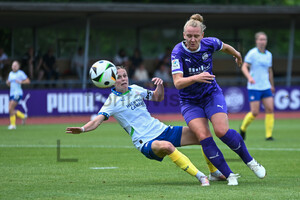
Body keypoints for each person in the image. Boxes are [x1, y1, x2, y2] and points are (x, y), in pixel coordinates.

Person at [66, 66, 231, 186]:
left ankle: (214, 172)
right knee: (166, 146)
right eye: (119, 77)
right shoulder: (111, 102)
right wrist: (82, 129)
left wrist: (159, 86)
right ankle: (201, 177)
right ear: (112, 81)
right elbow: (97, 120)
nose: (123, 79)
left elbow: (158, 98)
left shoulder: (135, 89)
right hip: (145, 141)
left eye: (125, 76)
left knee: (203, 135)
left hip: (162, 129)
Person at [171, 14, 266, 185]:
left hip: (211, 94)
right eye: (189, 36)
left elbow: (226, 47)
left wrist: (237, 54)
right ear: (183, 35)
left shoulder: (210, 43)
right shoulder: (177, 52)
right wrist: (196, 77)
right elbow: (177, 83)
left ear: (202, 36)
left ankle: (251, 162)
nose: (192, 39)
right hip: (190, 101)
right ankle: (229, 175)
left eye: (196, 36)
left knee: (221, 131)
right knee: (203, 135)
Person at [240, 32, 275, 141]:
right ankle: (243, 128)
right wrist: (249, 77)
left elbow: (269, 70)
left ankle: (269, 135)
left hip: (265, 86)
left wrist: (271, 84)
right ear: (256, 41)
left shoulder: (269, 55)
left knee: (270, 109)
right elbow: (244, 67)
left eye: (264, 39)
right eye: (260, 39)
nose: (262, 41)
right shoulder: (252, 53)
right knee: (255, 112)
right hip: (254, 87)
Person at [6, 60, 30, 130]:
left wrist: (21, 81)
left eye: (15, 65)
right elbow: (10, 85)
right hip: (12, 93)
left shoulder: (21, 73)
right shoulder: (10, 74)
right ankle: (23, 116)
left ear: (18, 66)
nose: (14, 67)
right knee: (10, 109)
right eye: (13, 65)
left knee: (10, 108)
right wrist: (8, 83)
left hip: (18, 93)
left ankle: (13, 125)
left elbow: (28, 81)